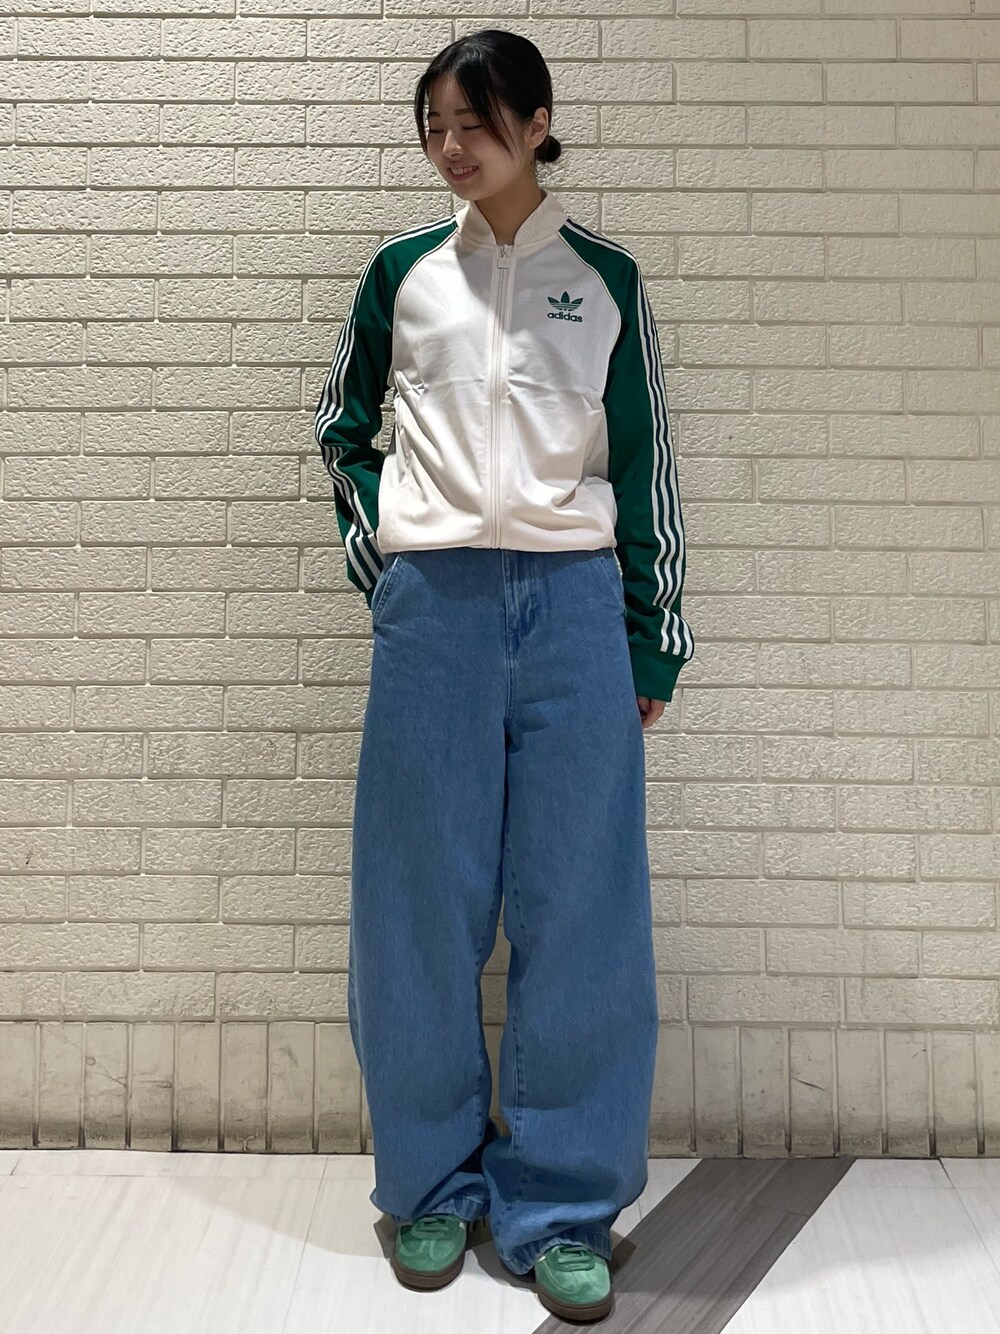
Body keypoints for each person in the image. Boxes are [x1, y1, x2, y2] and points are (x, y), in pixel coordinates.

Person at [313, 27, 694, 1325]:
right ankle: (430, 1186)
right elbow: (342, 429)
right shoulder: (402, 277)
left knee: (583, 907)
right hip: (434, 615)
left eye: (473, 122)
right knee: (416, 907)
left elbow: (644, 466)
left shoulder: (606, 281)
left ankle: (564, 1204)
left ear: (536, 125)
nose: (450, 146)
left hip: (575, 609)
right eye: (433, 125)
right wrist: (388, 561)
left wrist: (651, 636)